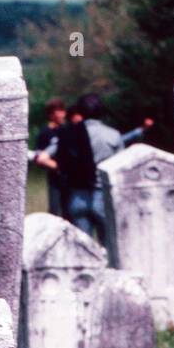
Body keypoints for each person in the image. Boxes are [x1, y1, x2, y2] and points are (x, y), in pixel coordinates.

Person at [57, 93, 131, 242]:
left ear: (80, 111)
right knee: (109, 248)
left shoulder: (68, 133)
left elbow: (62, 164)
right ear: (101, 111)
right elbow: (121, 169)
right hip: (103, 196)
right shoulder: (113, 135)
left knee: (83, 251)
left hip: (77, 196)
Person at [31, 97, 68, 217]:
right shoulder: (45, 132)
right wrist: (55, 166)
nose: (63, 114)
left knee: (69, 210)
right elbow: (37, 156)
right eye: (59, 111)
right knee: (55, 210)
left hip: (69, 177)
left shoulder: (67, 129)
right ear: (51, 114)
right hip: (54, 177)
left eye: (63, 110)